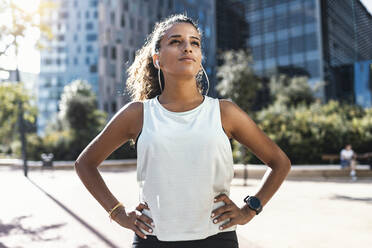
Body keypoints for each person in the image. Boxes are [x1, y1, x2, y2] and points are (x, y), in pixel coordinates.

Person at [74, 14, 291, 248]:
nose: (187, 47)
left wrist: (250, 209)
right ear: (157, 59)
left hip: (217, 238)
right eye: (176, 41)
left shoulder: (224, 112)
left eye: (194, 42)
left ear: (200, 58)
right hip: (153, 240)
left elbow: (280, 162)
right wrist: (118, 213)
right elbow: (85, 163)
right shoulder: (138, 114)